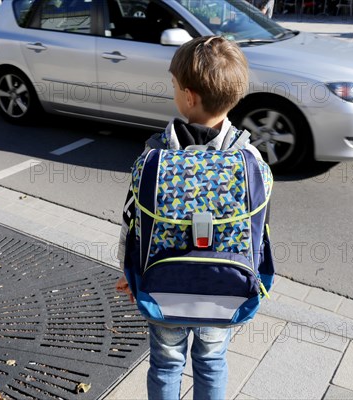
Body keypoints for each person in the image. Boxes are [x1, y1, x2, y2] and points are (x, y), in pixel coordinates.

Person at [115, 35, 259, 400]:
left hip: (165, 286)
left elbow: (132, 221)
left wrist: (129, 270)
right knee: (211, 361)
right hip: (222, 288)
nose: (174, 91)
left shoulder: (155, 155)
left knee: (165, 363)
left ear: (189, 97)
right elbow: (258, 231)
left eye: (175, 86)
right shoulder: (249, 159)